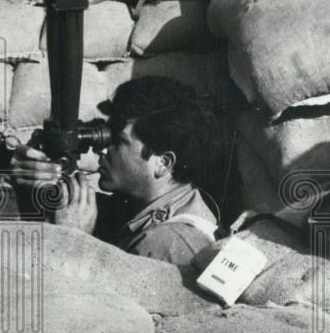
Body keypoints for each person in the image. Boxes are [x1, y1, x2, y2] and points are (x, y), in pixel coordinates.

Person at [11, 76, 219, 266]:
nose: (102, 148)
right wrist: (32, 187)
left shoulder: (162, 246)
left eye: (118, 141)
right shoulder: (144, 208)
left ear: (163, 163)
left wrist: (72, 240)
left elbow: (84, 305)